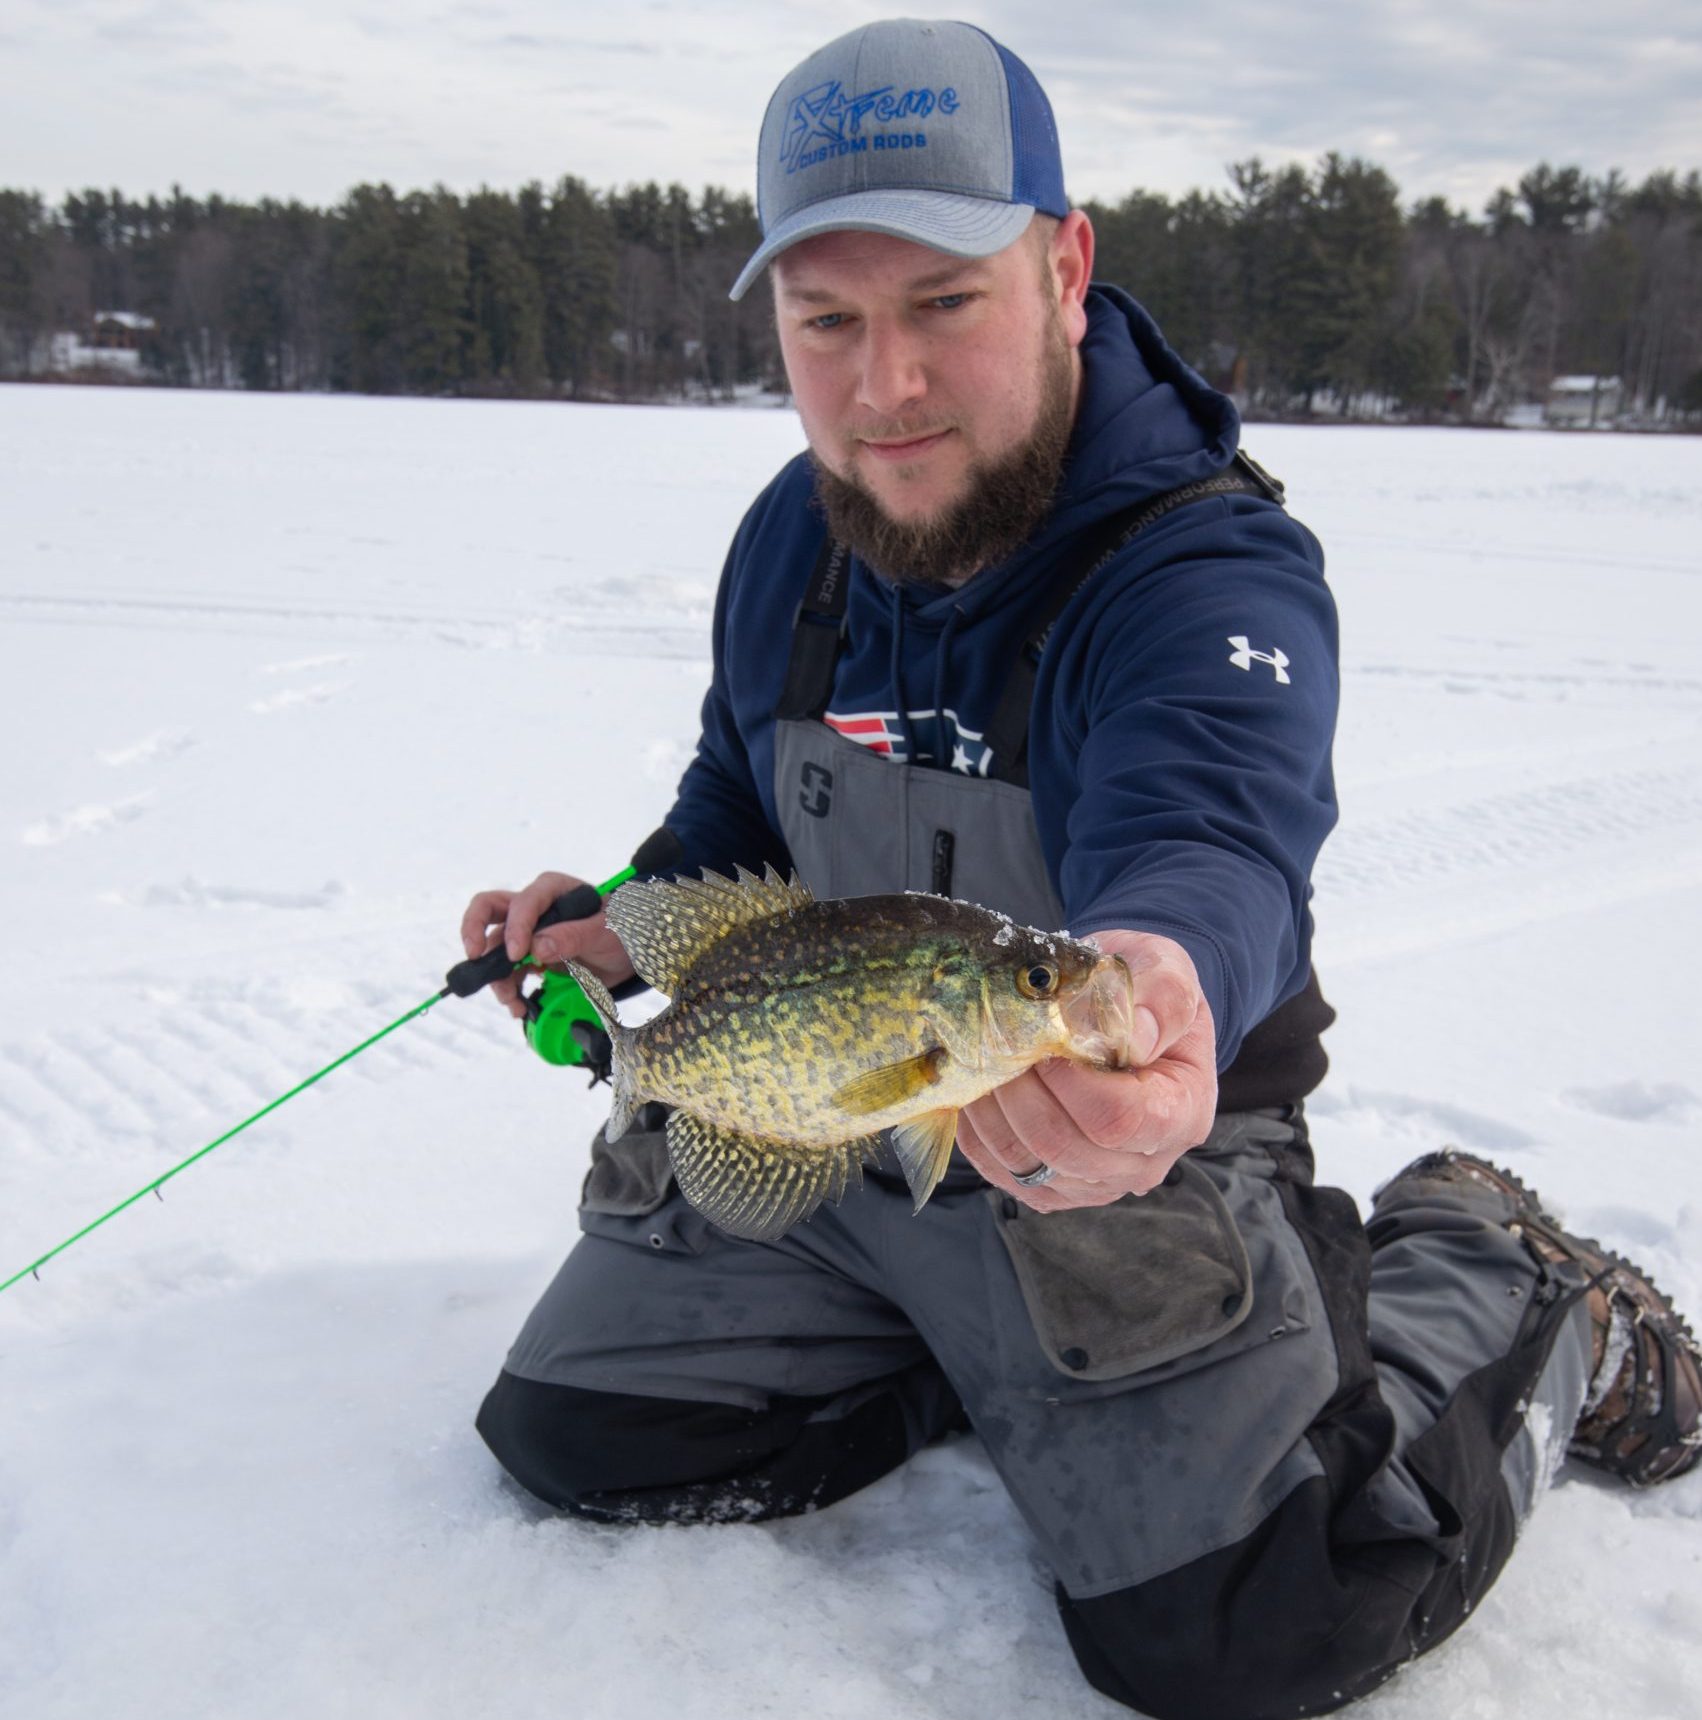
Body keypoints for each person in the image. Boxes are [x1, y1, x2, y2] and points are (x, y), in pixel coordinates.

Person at [462, 21, 1701, 1719]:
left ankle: (1509, 1276)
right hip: (847, 1120)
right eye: (828, 321)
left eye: (943, 304)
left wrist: (1164, 987)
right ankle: (990, 1358)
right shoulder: (793, 531)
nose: (883, 387)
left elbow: (1214, 832)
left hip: (1131, 1143)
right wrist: (622, 913)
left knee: (1255, 1623)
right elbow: (737, 806)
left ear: (1062, 266)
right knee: (586, 1439)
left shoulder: (1204, 574)